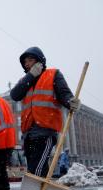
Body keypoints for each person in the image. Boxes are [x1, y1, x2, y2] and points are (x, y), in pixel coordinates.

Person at [10, 46, 81, 177]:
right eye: (25, 62)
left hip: (45, 130)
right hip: (28, 134)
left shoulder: (53, 75)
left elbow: (64, 94)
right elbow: (14, 95)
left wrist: (71, 101)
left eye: (30, 60)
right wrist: (31, 75)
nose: (27, 64)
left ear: (39, 61)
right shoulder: (25, 81)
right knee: (33, 168)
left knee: (37, 168)